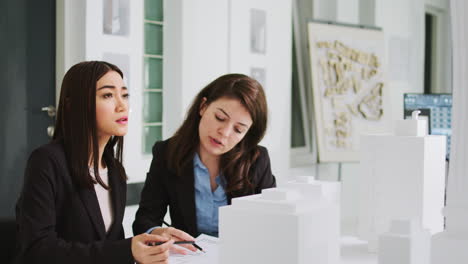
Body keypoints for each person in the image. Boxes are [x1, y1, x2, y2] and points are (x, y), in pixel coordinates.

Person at [14, 61, 195, 264]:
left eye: (124, 95)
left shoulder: (114, 171)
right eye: (108, 95)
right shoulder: (47, 161)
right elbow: (38, 249)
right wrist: (128, 250)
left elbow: (109, 246)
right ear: (74, 104)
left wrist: (152, 242)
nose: (122, 105)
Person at [133, 73, 276, 238]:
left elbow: (271, 223)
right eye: (220, 118)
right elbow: (144, 220)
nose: (225, 132)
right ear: (203, 107)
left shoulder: (257, 160)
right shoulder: (167, 152)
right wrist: (159, 233)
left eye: (238, 130)